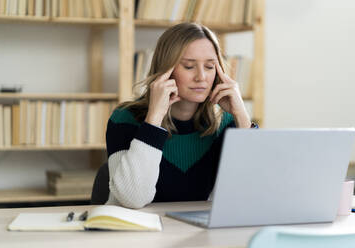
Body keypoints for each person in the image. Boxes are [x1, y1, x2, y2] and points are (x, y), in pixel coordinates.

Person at [105, 22, 258, 209]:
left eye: (210, 67)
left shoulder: (225, 123)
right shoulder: (125, 119)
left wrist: (241, 116)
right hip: (134, 232)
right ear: (165, 70)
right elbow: (133, 198)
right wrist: (153, 119)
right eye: (188, 66)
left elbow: (256, 193)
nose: (201, 77)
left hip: (196, 233)